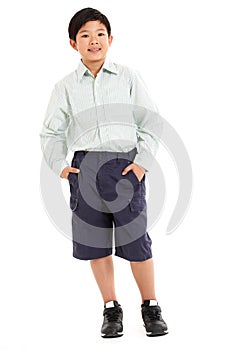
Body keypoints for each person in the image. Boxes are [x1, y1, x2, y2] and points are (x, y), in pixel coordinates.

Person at [40, 7, 168, 338]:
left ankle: (150, 306)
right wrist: (62, 168)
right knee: (96, 244)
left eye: (99, 34)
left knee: (136, 240)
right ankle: (111, 308)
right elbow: (51, 133)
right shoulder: (65, 87)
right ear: (73, 43)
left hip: (124, 167)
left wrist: (141, 164)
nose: (93, 41)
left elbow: (150, 121)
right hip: (85, 168)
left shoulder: (128, 77)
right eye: (84, 35)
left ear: (110, 39)